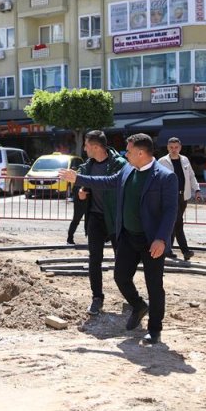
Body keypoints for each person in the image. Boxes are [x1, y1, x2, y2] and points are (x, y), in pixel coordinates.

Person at [59, 133, 178, 345]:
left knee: (154, 285)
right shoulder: (127, 169)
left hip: (152, 241)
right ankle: (139, 305)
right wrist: (78, 178)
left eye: (129, 151)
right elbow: (107, 181)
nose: (126, 154)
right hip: (128, 237)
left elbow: (171, 212)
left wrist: (161, 238)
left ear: (141, 153)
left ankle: (154, 329)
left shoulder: (165, 177)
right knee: (121, 277)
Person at [75, 130, 128, 315]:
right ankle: (97, 297)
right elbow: (85, 184)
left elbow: (113, 185)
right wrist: (82, 191)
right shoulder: (88, 165)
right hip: (95, 217)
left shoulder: (119, 164)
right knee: (94, 259)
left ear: (96, 147)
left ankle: (130, 295)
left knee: (122, 260)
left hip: (114, 219)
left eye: (87, 145)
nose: (84, 149)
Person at [158, 137, 202, 261]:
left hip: (183, 196)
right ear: (167, 147)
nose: (174, 150)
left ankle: (167, 250)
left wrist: (197, 190)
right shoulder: (162, 161)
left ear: (180, 148)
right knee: (178, 223)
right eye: (171, 147)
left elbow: (191, 176)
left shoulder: (185, 160)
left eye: (176, 147)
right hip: (169, 197)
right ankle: (185, 250)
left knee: (173, 223)